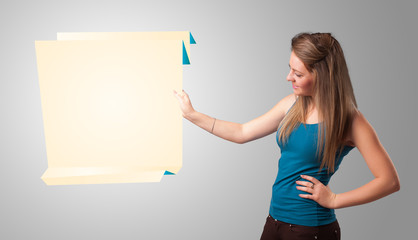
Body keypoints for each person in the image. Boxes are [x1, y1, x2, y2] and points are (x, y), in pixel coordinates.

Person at [173, 32, 400, 240]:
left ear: (323, 75)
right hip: (274, 221)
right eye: (290, 69)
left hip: (310, 230)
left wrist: (335, 200)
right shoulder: (292, 105)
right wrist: (192, 115)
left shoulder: (350, 120)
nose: (288, 77)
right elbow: (242, 132)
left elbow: (389, 181)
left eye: (298, 73)